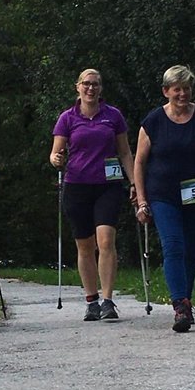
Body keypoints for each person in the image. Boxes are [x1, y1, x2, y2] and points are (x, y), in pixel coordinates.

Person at [133, 64, 195, 333]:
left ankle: (186, 301)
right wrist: (141, 199)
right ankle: (179, 305)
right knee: (173, 245)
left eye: (186, 88)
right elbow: (139, 162)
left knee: (190, 249)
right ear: (166, 91)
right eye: (177, 89)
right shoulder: (153, 121)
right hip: (163, 193)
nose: (183, 94)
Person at [50, 68, 136, 321]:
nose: (91, 88)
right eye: (86, 84)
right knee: (85, 245)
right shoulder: (67, 118)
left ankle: (108, 300)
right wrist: (56, 159)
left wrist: (135, 183)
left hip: (108, 185)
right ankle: (91, 300)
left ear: (101, 88)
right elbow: (55, 153)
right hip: (77, 185)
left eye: (95, 84)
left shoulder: (113, 115)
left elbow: (125, 152)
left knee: (106, 241)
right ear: (78, 87)